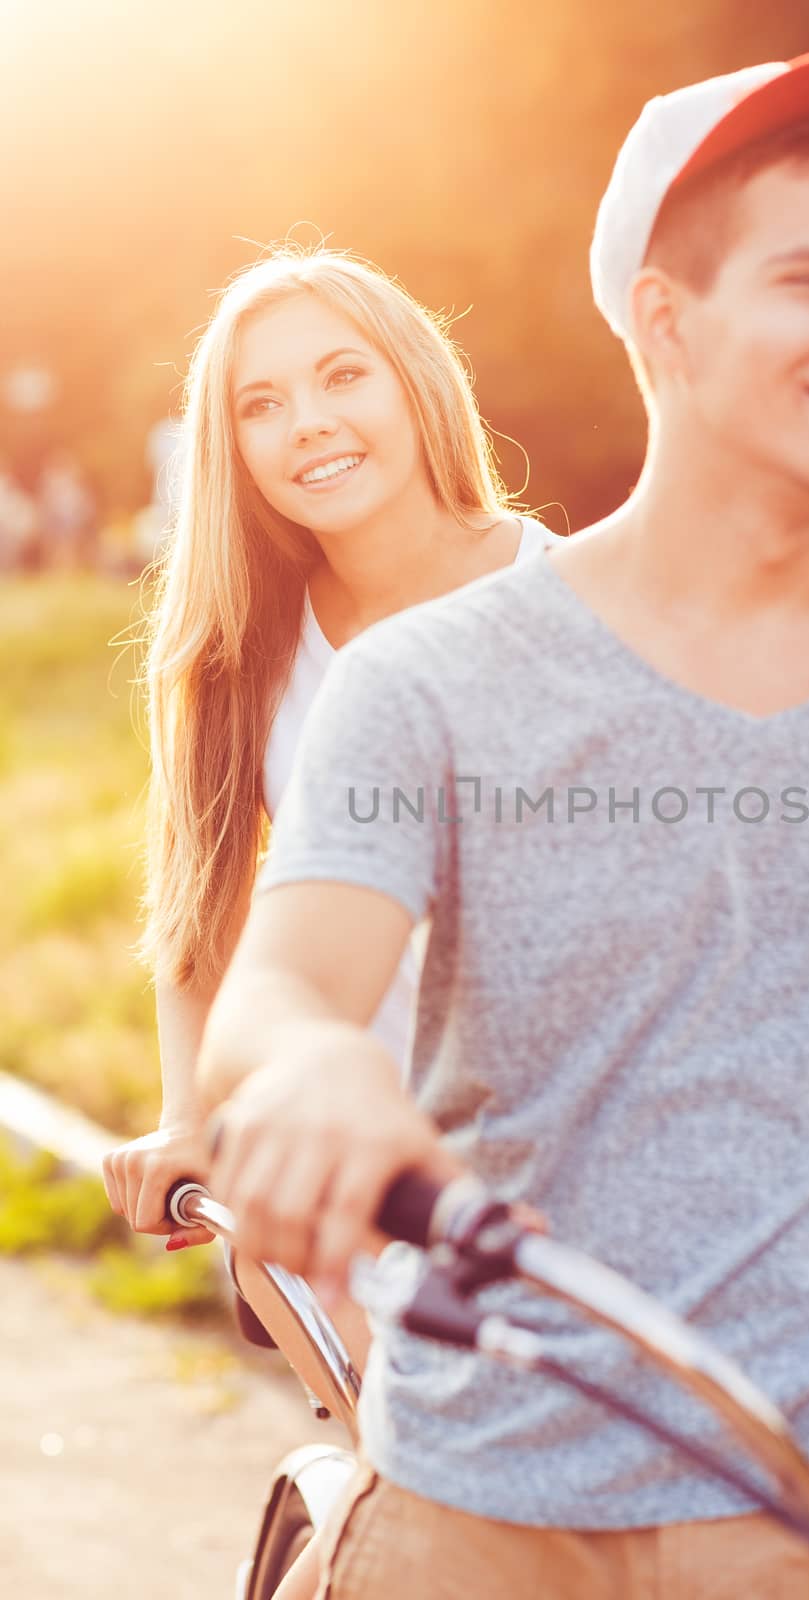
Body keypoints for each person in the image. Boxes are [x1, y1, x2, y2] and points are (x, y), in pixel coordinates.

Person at [191, 44, 809, 1598]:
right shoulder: (431, 679)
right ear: (663, 320)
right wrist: (313, 1074)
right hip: (480, 1501)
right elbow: (284, 990)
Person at [100, 246, 558, 1599]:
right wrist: (198, 1123)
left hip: (566, 1144)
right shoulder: (237, 652)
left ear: (415, 383)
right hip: (342, 1169)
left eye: (340, 374)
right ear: (228, 446)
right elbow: (201, 917)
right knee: (426, 1529)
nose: (307, 423)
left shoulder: (572, 600)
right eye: (260, 403)